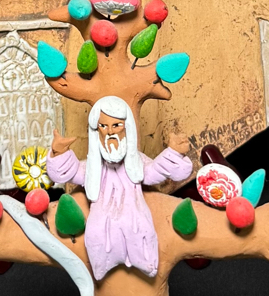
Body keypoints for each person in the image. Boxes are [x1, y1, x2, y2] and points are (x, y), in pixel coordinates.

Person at [46, 95, 192, 281]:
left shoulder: (136, 162)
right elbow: (71, 171)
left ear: (127, 127)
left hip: (134, 214)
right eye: (103, 126)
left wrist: (174, 153)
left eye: (116, 125)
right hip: (101, 217)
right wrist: (58, 152)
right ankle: (102, 267)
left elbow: (154, 171)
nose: (109, 132)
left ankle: (145, 263)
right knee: (96, 232)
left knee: (141, 229)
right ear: (96, 130)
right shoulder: (93, 167)